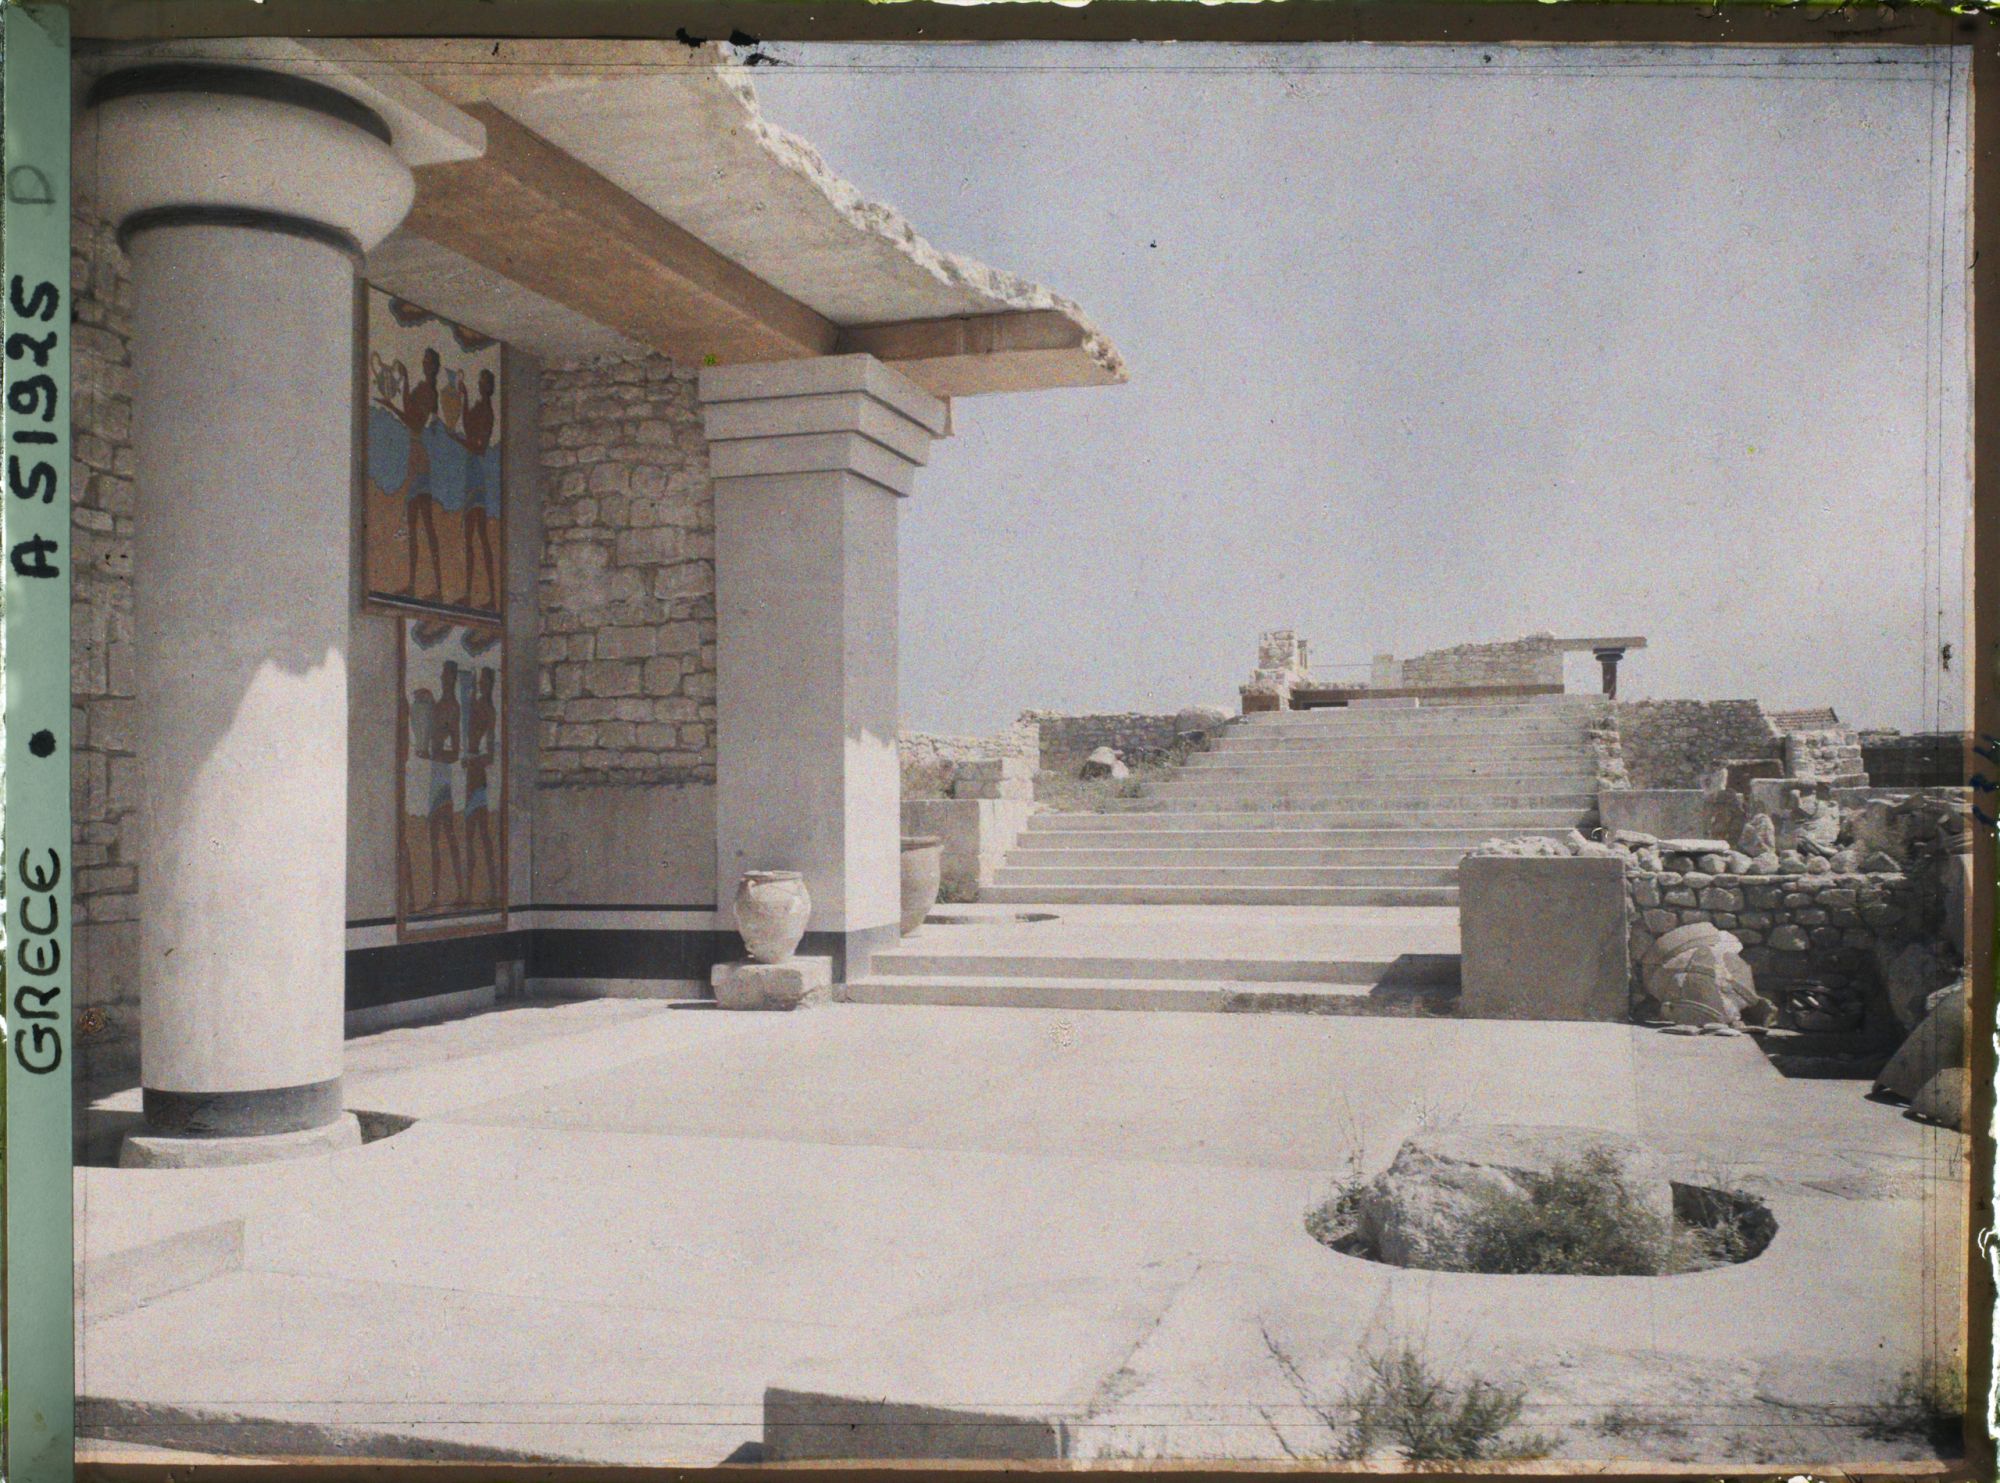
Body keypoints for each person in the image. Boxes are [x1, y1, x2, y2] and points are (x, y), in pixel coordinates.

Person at [452, 366, 501, 610]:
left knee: (479, 537)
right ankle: (471, 595)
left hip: (477, 475)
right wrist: (465, 396)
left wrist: (456, 439)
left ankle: (491, 596)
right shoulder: (480, 408)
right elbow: (468, 424)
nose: (481, 384)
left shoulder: (488, 411)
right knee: (471, 537)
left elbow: (478, 446)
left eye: (483, 381)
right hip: (471, 472)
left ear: (489, 387)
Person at [425, 658, 464, 912]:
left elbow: (455, 752)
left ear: (452, 678)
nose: (442, 679)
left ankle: (460, 891)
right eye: (441, 675)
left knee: (447, 835)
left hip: (443, 778)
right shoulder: (438, 705)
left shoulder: (452, 707)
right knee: (434, 837)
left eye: (445, 675)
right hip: (435, 775)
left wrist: (437, 755)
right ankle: (437, 895)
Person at [461, 665, 499, 906]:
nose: (480, 686)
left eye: (483, 682)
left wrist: (471, 759)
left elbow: (490, 757)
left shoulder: (488, 710)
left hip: (478, 781)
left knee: (480, 834)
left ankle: (491, 889)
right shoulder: (476, 706)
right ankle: (472, 891)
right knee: (473, 835)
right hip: (471, 780)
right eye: (479, 682)